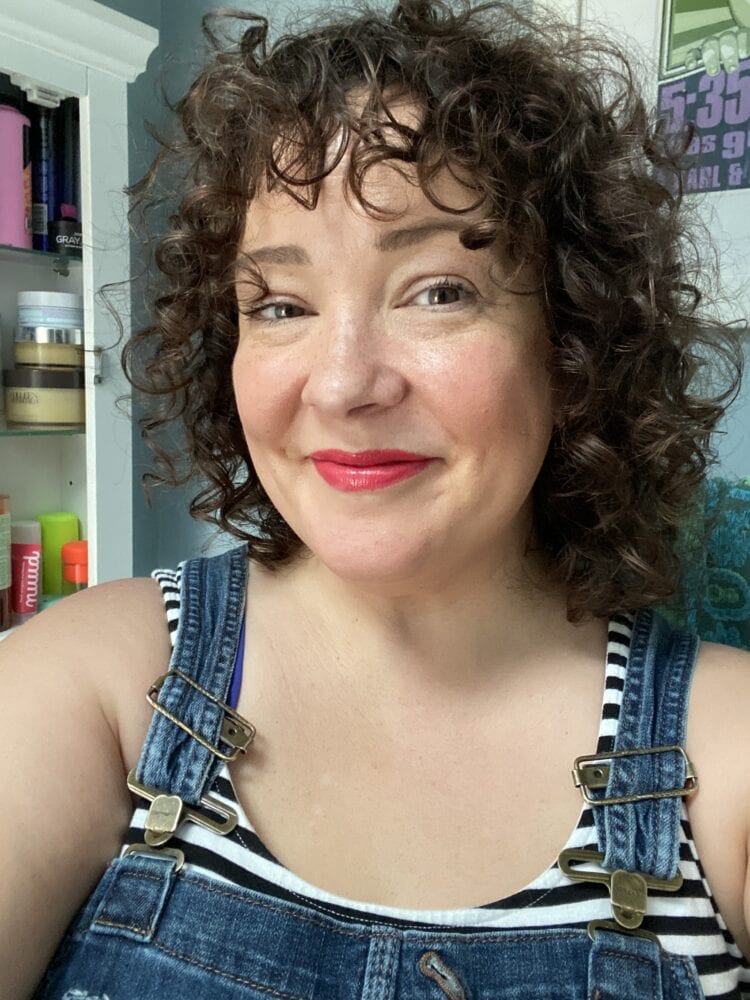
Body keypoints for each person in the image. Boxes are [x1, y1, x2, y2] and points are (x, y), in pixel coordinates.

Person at [2, 1, 749, 996]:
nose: (344, 382)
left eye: (438, 289)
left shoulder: (725, 752)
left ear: (572, 343)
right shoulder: (90, 686)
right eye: (280, 305)